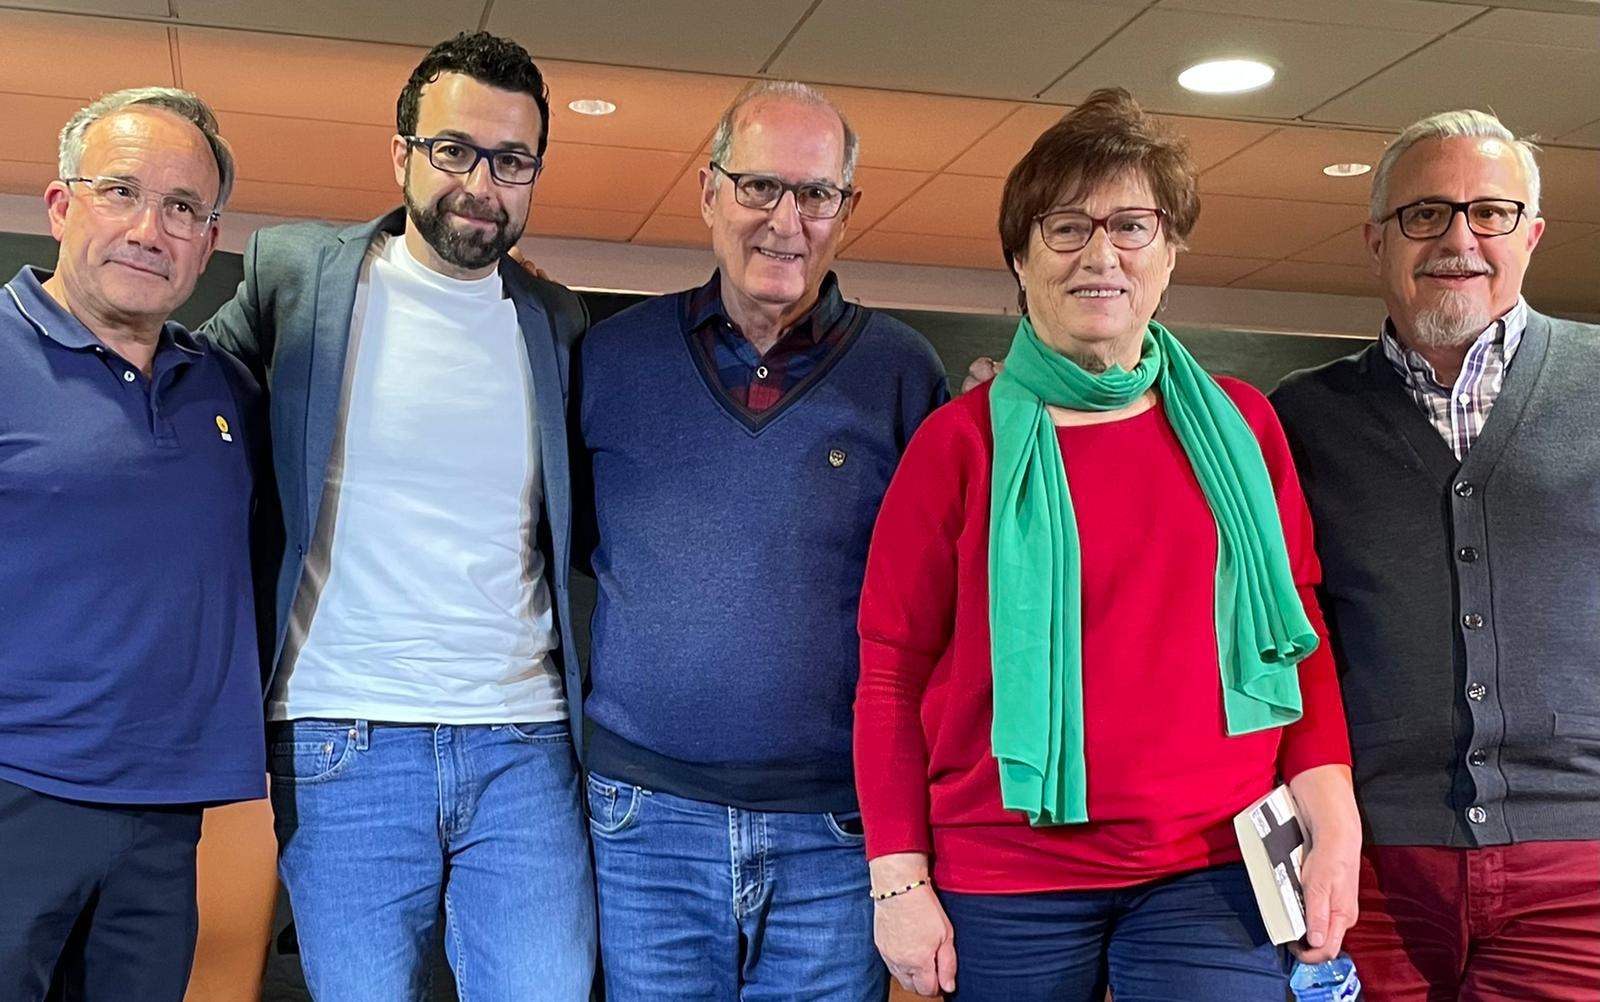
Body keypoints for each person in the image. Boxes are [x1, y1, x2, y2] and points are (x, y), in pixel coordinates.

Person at [855, 88, 1361, 1002]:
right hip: (1007, 874)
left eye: (1132, 226)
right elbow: (892, 669)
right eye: (1065, 227)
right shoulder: (958, 445)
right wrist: (898, 881)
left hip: (1214, 867)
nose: (1101, 255)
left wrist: (1335, 819)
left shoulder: (1244, 427)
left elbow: (1302, 631)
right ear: (1020, 257)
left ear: (1169, 251)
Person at [202, 32, 594, 1000]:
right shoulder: (299, 275)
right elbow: (178, 389)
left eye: (511, 161)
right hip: (343, 738)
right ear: (401, 154)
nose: (481, 185)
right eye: (454, 150)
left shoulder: (554, 319)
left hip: (525, 742)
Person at [574, 79, 949, 1001]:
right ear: (709, 192)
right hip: (644, 820)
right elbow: (572, 547)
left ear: (847, 212)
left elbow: (935, 607)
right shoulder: (610, 357)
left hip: (836, 828)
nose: (787, 220)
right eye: (759, 187)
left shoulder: (903, 374)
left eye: (816, 194)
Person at [1271, 109, 1600, 1002]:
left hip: (1577, 864)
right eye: (1425, 213)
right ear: (1376, 238)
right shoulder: (1302, 417)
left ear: (1531, 234)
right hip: (1366, 864)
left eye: (1490, 212)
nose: (1459, 239)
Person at [0, 87, 266, 1002]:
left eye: (183, 208)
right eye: (120, 191)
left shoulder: (225, 389)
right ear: (61, 205)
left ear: (209, 240)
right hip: (16, 793)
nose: (150, 230)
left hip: (165, 818)